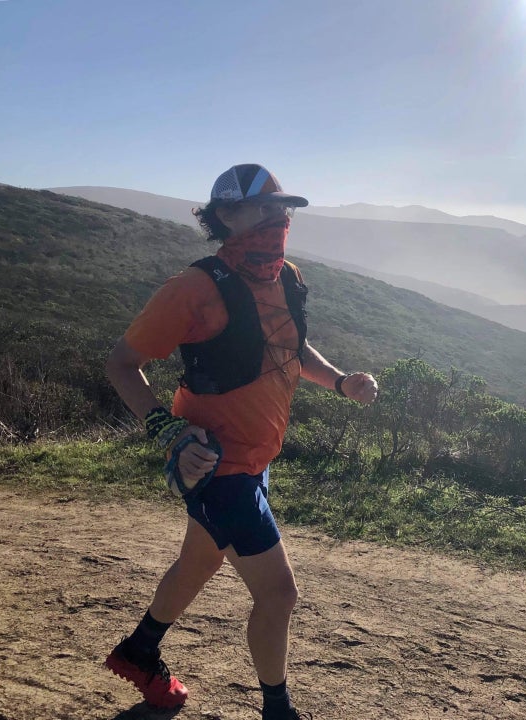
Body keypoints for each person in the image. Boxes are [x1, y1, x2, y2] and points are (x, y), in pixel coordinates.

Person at [103, 163, 378, 720]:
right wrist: (167, 429)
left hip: (255, 461)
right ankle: (278, 710)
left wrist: (341, 382)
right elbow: (121, 364)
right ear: (225, 217)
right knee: (279, 595)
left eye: (284, 211)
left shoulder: (286, 277)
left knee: (199, 562)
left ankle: (139, 651)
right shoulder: (193, 288)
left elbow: (291, 351)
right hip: (216, 467)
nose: (278, 220)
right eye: (262, 211)